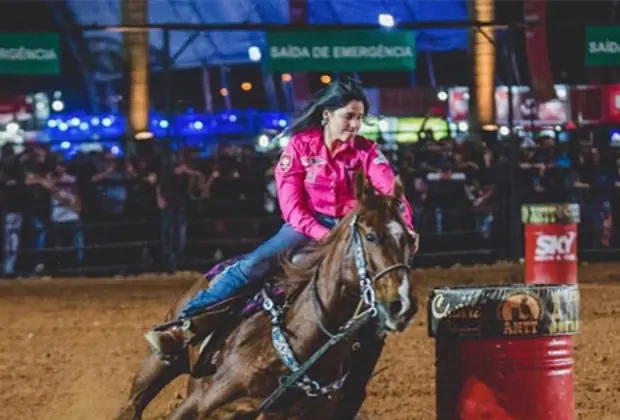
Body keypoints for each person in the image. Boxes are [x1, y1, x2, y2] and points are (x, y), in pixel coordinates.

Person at [145, 78, 419, 417]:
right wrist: (324, 235)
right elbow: (293, 208)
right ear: (326, 115)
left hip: (351, 234)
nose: (354, 124)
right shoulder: (300, 148)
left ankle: (350, 393)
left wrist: (404, 223)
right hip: (306, 227)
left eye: (359, 117)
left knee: (372, 316)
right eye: (348, 116)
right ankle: (185, 326)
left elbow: (391, 194)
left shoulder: (367, 152)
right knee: (256, 264)